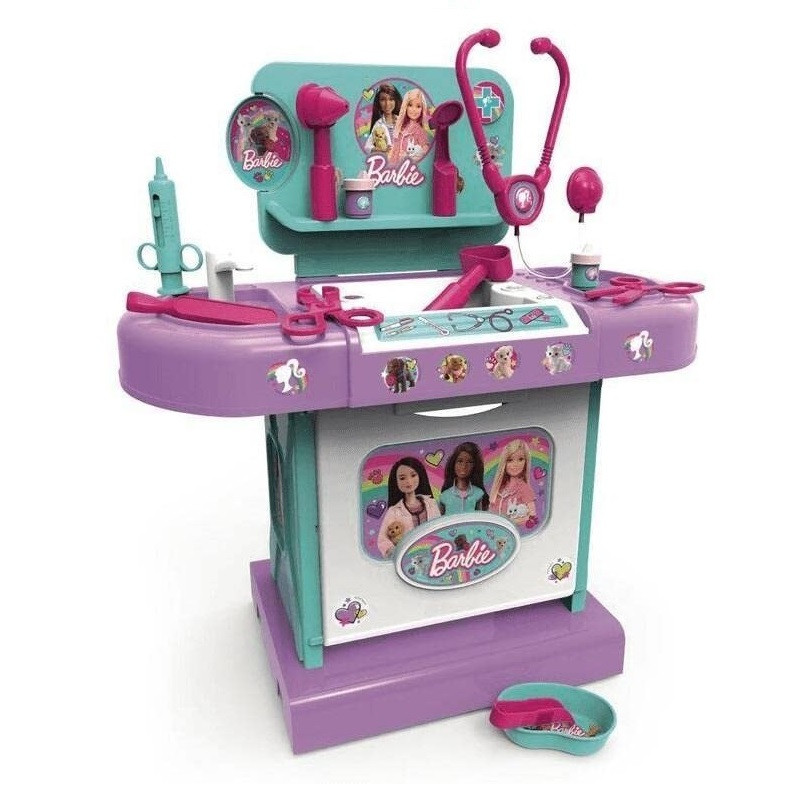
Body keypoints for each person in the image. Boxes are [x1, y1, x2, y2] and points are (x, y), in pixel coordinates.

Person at [377, 457, 440, 557]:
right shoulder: (394, 511)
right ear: (396, 481)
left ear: (420, 475)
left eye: (413, 475)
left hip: (433, 553)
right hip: (408, 557)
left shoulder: (431, 503)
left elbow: (439, 529)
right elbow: (382, 539)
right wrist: (396, 552)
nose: (408, 481)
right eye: (402, 478)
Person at [488, 439, 537, 526]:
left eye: (520, 459)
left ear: (526, 462)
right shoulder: (500, 488)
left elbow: (532, 515)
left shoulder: (524, 488)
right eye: (510, 460)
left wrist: (512, 522)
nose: (515, 464)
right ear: (504, 462)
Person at [438, 442, 489, 515]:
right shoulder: (445, 496)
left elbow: (480, 517)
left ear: (475, 466)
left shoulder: (478, 493)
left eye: (469, 462)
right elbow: (441, 518)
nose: (464, 466)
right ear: (453, 464)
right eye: (460, 461)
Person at [388, 88, 431, 164]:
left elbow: (425, 152)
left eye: (418, 106)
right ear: (405, 107)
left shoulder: (419, 131)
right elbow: (394, 146)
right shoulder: (401, 126)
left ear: (422, 109)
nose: (414, 109)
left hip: (408, 166)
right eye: (410, 105)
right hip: (394, 165)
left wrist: (409, 157)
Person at [364, 83, 402, 155]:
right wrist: (382, 150)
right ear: (378, 103)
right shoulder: (378, 124)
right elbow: (367, 147)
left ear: (396, 101)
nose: (387, 104)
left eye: (391, 99)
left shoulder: (401, 120)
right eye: (383, 100)